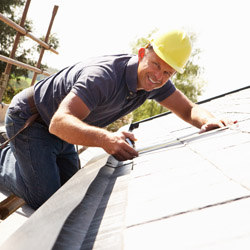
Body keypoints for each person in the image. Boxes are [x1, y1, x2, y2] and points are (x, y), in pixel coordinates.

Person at [0, 30, 235, 209]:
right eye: (156, 65)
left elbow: (188, 110)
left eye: (168, 72)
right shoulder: (102, 77)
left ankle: (26, 153)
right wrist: (104, 138)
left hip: (62, 131)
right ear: (143, 52)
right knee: (47, 200)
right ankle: (4, 158)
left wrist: (210, 121)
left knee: (71, 194)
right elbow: (59, 122)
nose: (158, 76)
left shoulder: (153, 82)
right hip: (31, 120)